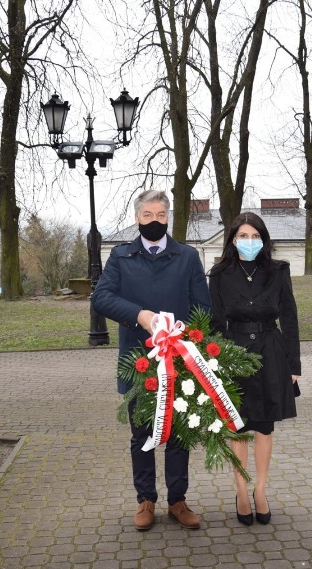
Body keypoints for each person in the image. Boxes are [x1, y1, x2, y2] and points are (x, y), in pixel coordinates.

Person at [92, 189, 211, 532]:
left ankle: (178, 500)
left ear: (168, 217)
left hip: (179, 361)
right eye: (148, 216)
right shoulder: (121, 256)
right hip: (137, 363)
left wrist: (187, 333)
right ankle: (146, 500)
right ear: (137, 218)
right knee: (142, 434)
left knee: (178, 435)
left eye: (161, 215)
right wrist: (139, 315)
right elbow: (102, 297)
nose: (155, 221)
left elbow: (203, 307)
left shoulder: (187, 256)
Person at [207, 212, 300, 526]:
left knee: (264, 426)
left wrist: (293, 364)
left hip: (270, 352)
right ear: (233, 239)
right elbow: (216, 323)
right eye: (243, 236)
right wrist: (215, 365)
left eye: (255, 236)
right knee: (236, 426)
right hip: (233, 353)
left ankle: (260, 489)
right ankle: (240, 490)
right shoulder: (219, 274)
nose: (249, 242)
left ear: (263, 239)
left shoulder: (278, 271)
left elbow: (289, 317)